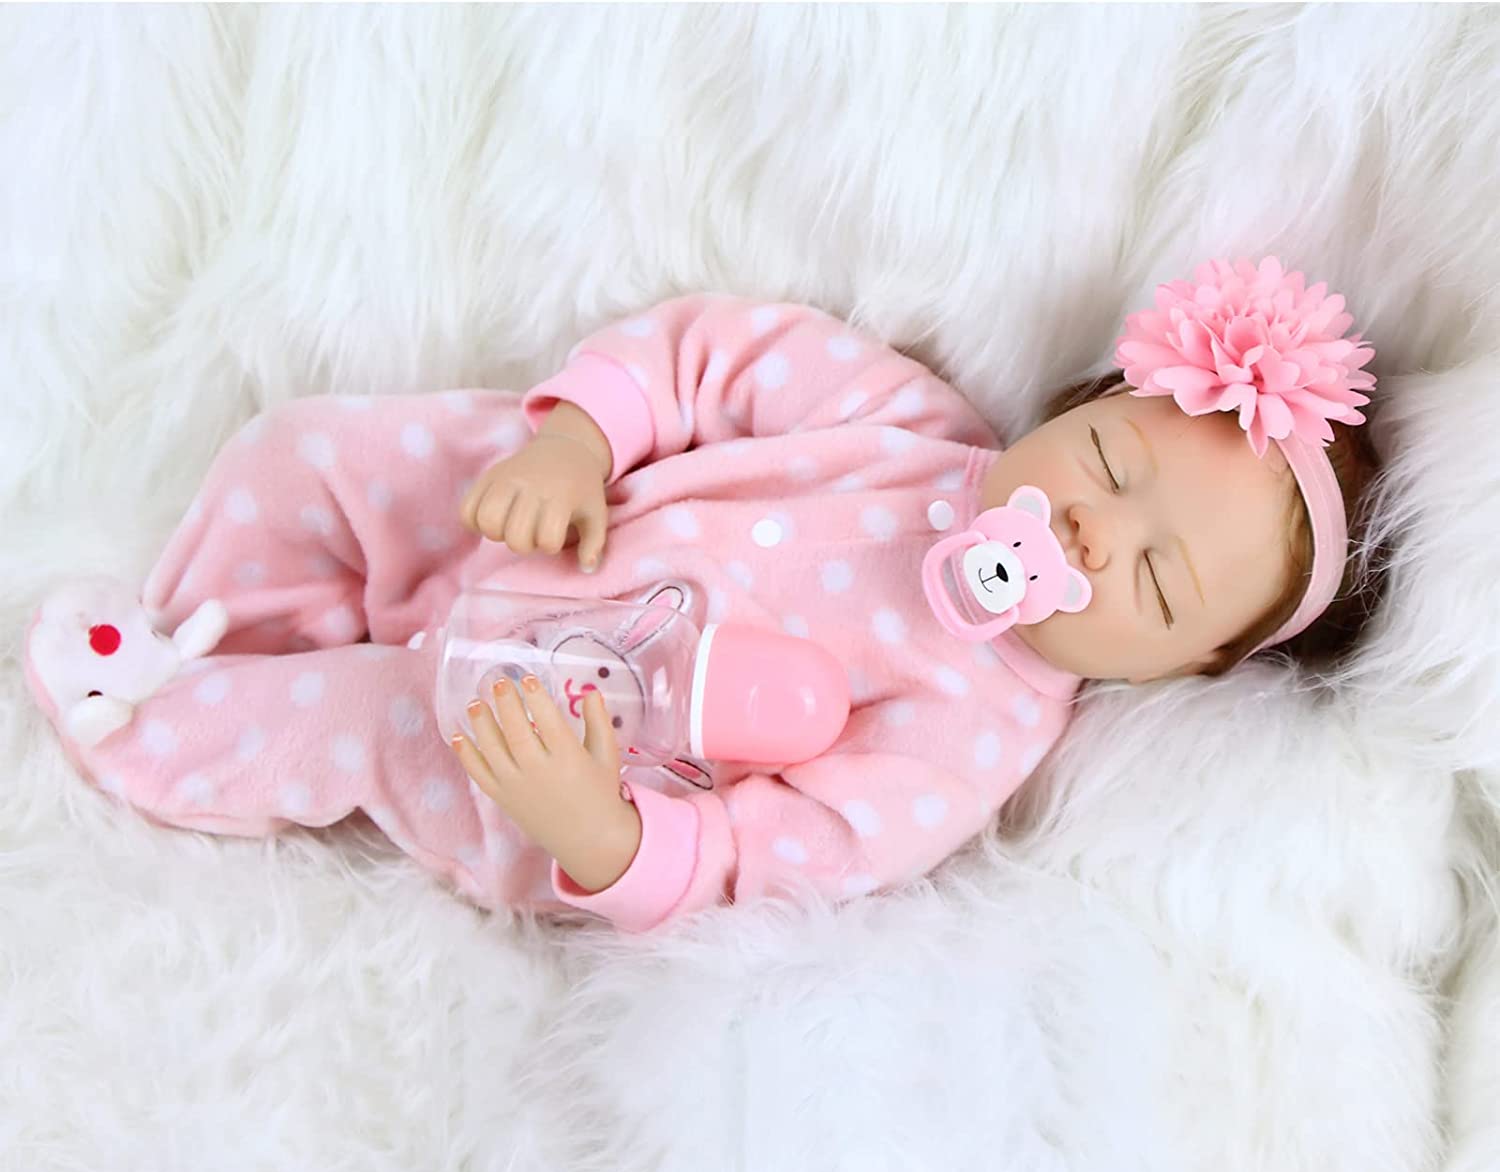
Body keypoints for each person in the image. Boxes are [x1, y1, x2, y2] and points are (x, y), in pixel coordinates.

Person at [23, 257, 1382, 933]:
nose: (1090, 524)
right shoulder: (910, 425)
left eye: (1147, 577)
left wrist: (599, 834)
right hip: (553, 513)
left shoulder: (976, 726)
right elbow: (713, 356)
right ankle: (205, 606)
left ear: (1182, 664)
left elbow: (782, 855)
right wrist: (577, 441)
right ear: (1082, 404)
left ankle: (149, 709)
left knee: (374, 718)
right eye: (1108, 457)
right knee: (318, 452)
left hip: (554, 728)